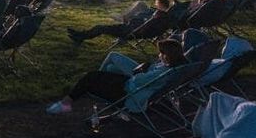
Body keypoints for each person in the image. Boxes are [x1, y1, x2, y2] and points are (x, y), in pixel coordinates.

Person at [45, 39, 188, 114]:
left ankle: (66, 103)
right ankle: (96, 80)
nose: (159, 55)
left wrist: (142, 70)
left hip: (129, 95)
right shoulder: (173, 67)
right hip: (134, 88)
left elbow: (138, 79)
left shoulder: (162, 72)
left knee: (90, 76)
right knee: (110, 68)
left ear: (167, 56)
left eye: (161, 53)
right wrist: (148, 66)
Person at [67, 0, 174, 44]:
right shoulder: (162, 17)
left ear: (160, 4)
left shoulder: (157, 16)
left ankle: (80, 36)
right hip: (131, 28)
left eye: (156, 4)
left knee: (100, 28)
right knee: (100, 27)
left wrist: (130, 32)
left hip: (129, 31)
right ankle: (80, 35)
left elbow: (145, 25)